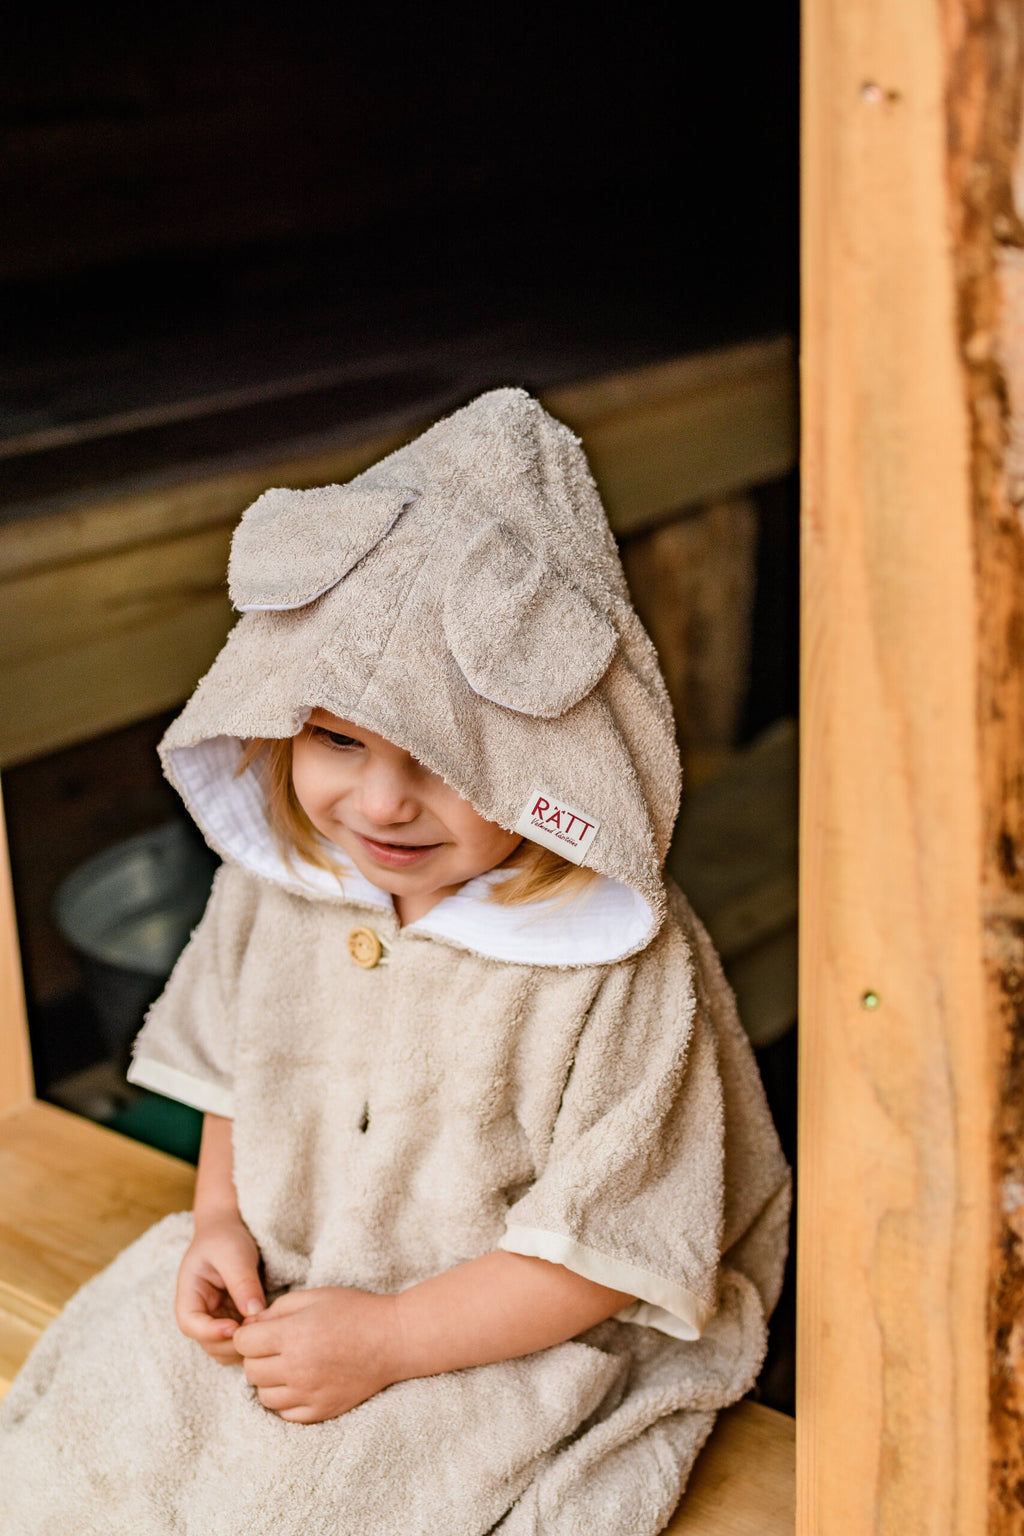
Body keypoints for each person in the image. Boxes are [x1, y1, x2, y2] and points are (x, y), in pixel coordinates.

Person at [0, 389, 790, 1535]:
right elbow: (237, 1080)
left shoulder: (613, 970)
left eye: (444, 763)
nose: (379, 804)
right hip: (297, 1275)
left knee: (323, 1503)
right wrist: (220, 1221)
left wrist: (392, 1339)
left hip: (503, 1324)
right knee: (98, 1453)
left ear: (550, 762)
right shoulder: (278, 891)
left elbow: (618, 1245)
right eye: (335, 739)